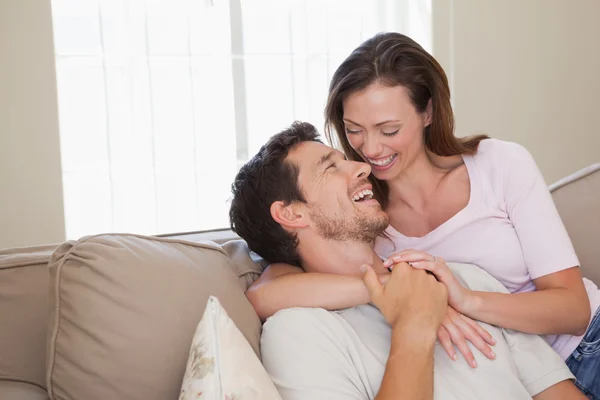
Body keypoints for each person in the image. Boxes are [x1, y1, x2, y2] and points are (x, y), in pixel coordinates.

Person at [245, 32, 600, 398]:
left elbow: (573, 309)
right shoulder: (362, 219)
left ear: (427, 112)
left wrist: (461, 299)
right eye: (354, 131)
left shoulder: (498, 165)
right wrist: (403, 292)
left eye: (389, 130)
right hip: (514, 361)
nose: (370, 150)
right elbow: (265, 293)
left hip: (585, 342)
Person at [229, 121, 584, 400]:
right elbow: (261, 293)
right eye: (329, 167)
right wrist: (414, 323)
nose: (361, 167)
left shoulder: (457, 279)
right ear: (290, 214)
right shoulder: (299, 333)